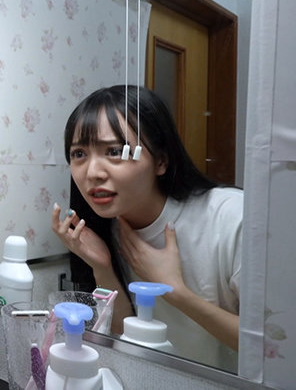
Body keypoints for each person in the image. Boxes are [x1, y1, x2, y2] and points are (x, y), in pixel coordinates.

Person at [50, 85, 242, 371]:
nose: (92, 173)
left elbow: (276, 348)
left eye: (115, 151)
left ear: (161, 161)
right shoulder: (109, 227)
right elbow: (123, 341)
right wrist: (102, 267)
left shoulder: (231, 217)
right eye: (79, 153)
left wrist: (177, 292)